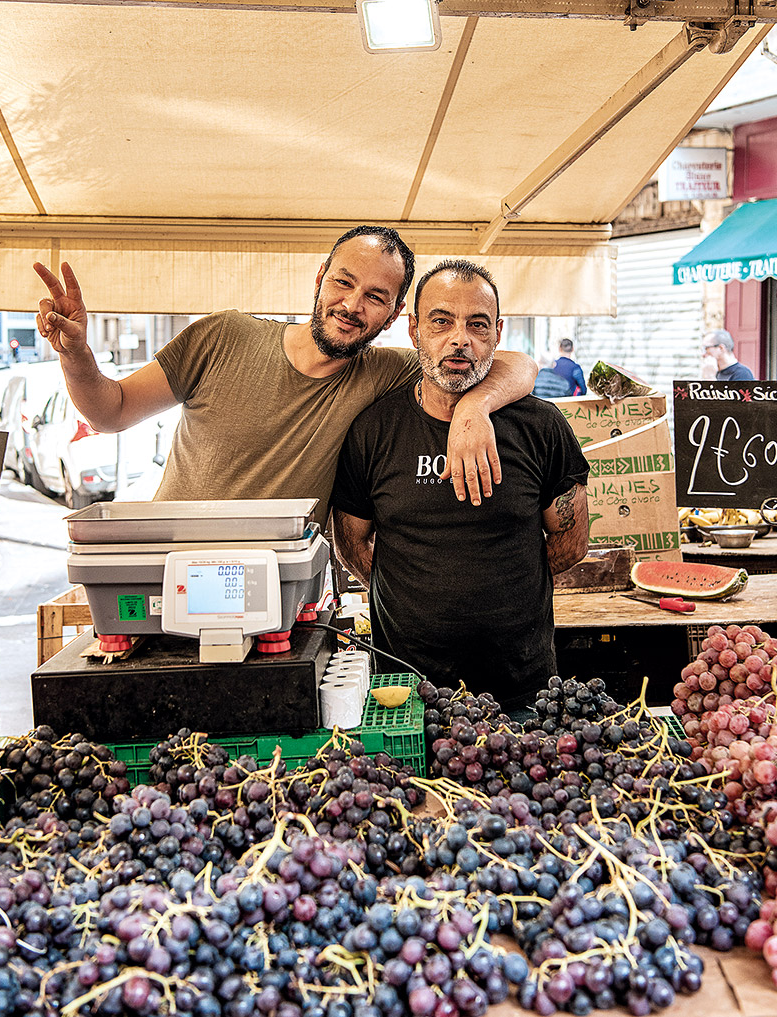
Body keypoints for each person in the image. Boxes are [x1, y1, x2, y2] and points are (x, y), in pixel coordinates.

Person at [33, 227, 539, 530]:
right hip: (173, 575)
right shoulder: (221, 336)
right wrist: (76, 354)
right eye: (343, 282)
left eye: (376, 297)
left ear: (393, 316)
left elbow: (517, 364)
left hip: (284, 599)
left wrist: (474, 407)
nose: (352, 305)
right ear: (320, 278)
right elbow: (110, 410)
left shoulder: (387, 371)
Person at [330, 259, 590, 712]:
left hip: (524, 690)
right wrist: (412, 592)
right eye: (441, 321)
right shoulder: (373, 430)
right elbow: (350, 543)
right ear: (414, 331)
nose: (460, 339)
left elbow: (571, 542)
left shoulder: (541, 426)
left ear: (498, 333)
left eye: (477, 324)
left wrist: (506, 588)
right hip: (406, 690)